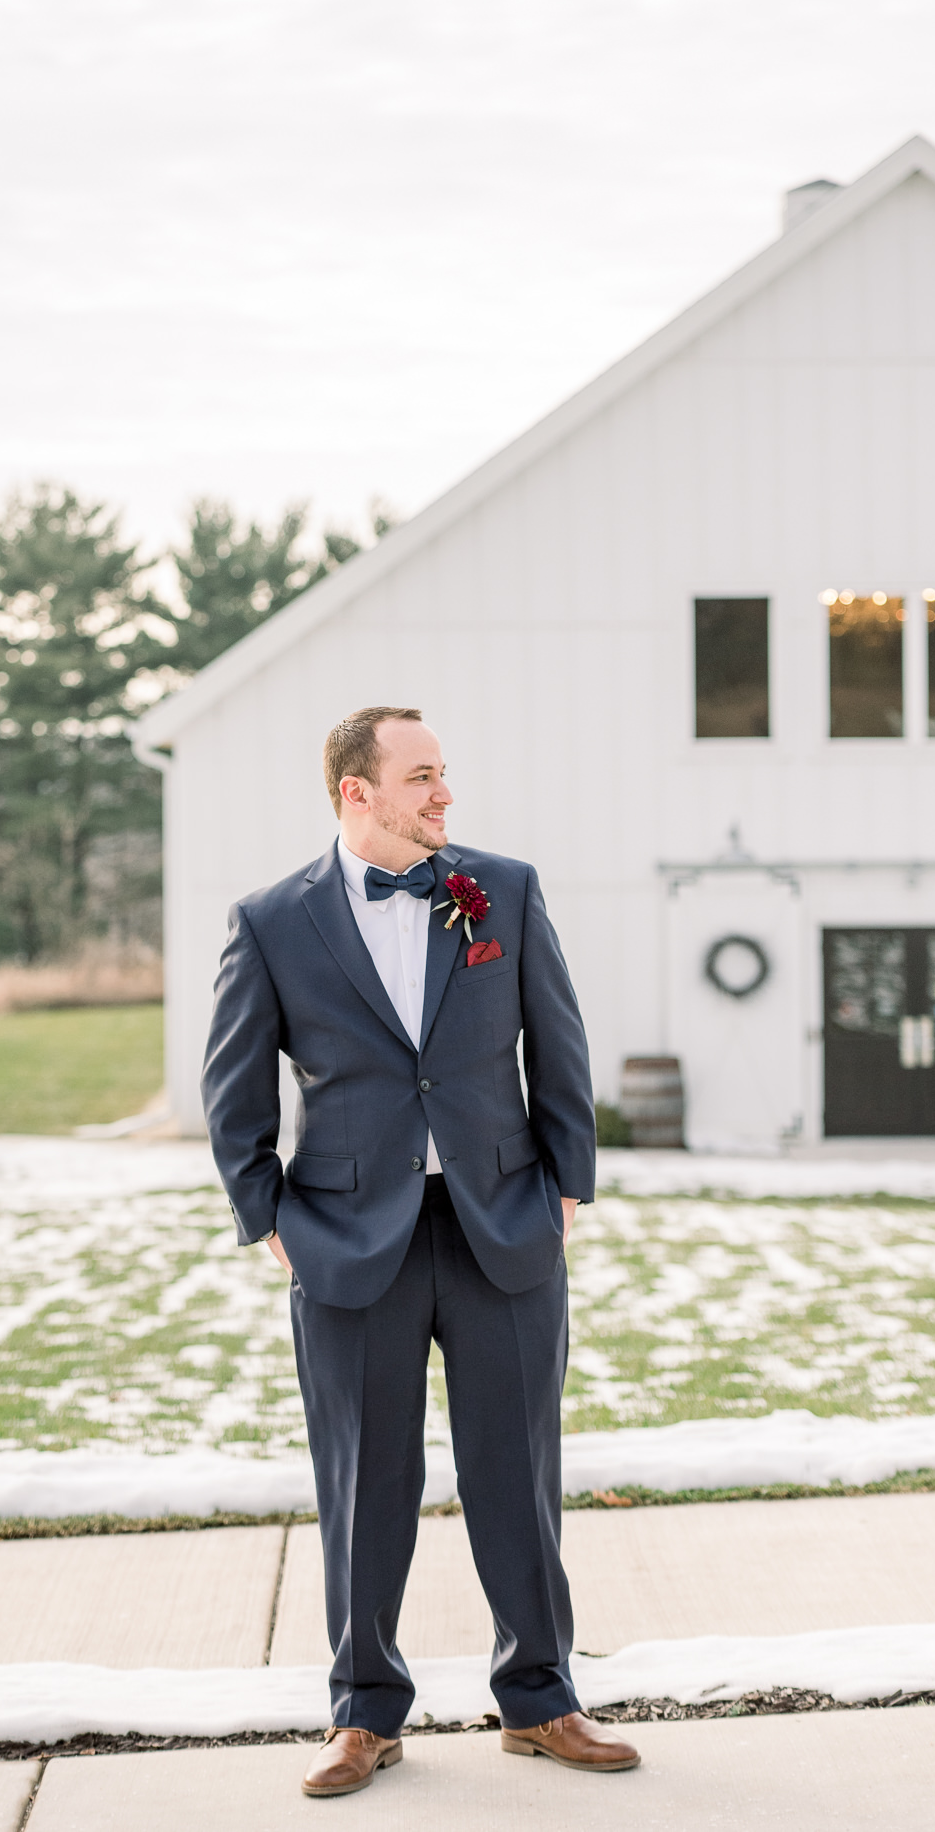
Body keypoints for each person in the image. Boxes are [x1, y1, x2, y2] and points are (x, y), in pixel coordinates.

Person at [202, 706, 639, 1797]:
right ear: (359, 791)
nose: (444, 796)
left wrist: (568, 1185)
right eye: (421, 777)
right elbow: (232, 1086)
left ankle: (541, 1700)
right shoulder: (270, 920)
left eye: (444, 775)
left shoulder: (506, 887)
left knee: (516, 1472)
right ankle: (363, 1715)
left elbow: (560, 1039)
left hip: (503, 1226)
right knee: (360, 1480)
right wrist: (266, 1223)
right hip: (347, 1240)